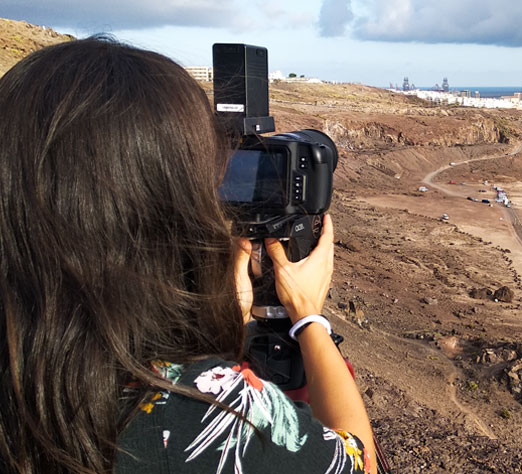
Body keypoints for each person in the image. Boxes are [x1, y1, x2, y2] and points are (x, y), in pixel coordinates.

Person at [0, 37, 376, 474]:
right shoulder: (201, 413)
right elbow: (357, 461)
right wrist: (309, 318)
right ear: (166, 208)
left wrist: (218, 323)